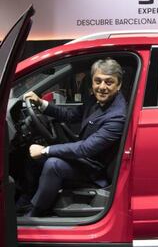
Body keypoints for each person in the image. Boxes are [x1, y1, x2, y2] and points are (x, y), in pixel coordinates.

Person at [18, 58, 127, 217]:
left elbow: (85, 148)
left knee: (53, 164)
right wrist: (41, 103)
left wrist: (46, 150)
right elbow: (70, 115)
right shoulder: (95, 100)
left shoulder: (117, 116)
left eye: (109, 82)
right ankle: (27, 199)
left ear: (119, 85)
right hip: (85, 159)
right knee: (32, 157)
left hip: (93, 169)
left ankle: (36, 212)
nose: (102, 87)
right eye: (98, 81)